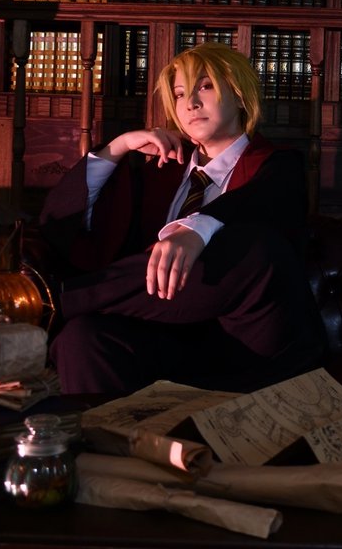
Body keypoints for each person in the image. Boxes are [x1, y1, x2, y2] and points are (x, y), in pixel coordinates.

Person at [38, 42, 325, 394]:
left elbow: (259, 205)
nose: (190, 103)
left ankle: (52, 303)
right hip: (168, 342)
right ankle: (102, 433)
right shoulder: (161, 174)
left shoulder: (279, 167)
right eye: (179, 94)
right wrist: (119, 147)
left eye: (205, 87)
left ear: (239, 96)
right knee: (81, 338)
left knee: (255, 247)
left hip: (247, 345)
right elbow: (59, 222)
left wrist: (195, 229)